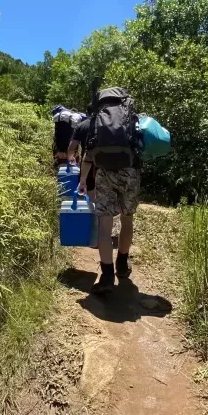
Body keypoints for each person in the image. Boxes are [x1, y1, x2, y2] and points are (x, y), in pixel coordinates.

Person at [79, 88, 141, 294]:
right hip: (129, 173)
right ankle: (122, 264)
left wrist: (83, 180)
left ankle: (106, 276)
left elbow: (88, 153)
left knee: (105, 225)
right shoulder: (131, 115)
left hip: (104, 173)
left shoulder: (96, 118)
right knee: (127, 219)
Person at [67, 110, 96, 201]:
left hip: (86, 162)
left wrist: (70, 158)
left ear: (87, 113)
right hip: (104, 162)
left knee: (89, 189)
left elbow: (72, 147)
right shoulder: (105, 125)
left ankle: (92, 211)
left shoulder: (81, 125)